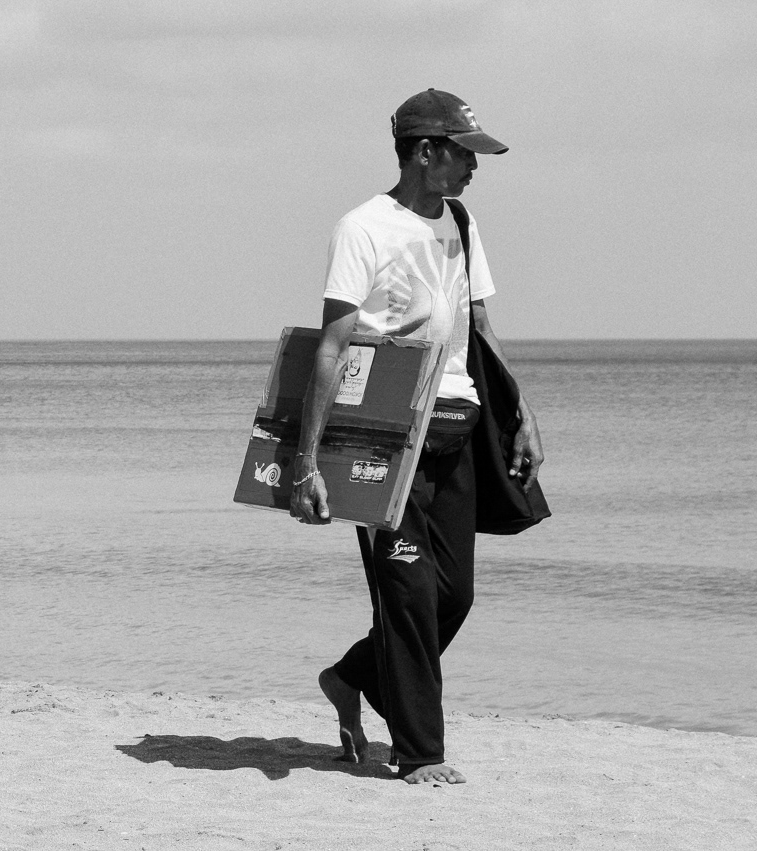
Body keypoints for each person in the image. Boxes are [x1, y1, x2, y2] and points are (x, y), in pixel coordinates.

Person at [289, 89, 544, 784]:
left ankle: (350, 676)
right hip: (383, 437)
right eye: (463, 152)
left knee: (450, 597)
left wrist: (521, 410)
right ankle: (419, 752)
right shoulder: (363, 228)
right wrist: (307, 462)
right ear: (424, 151)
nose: (473, 165)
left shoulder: (460, 220)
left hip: (458, 426)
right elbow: (332, 347)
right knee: (406, 593)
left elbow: (480, 327)